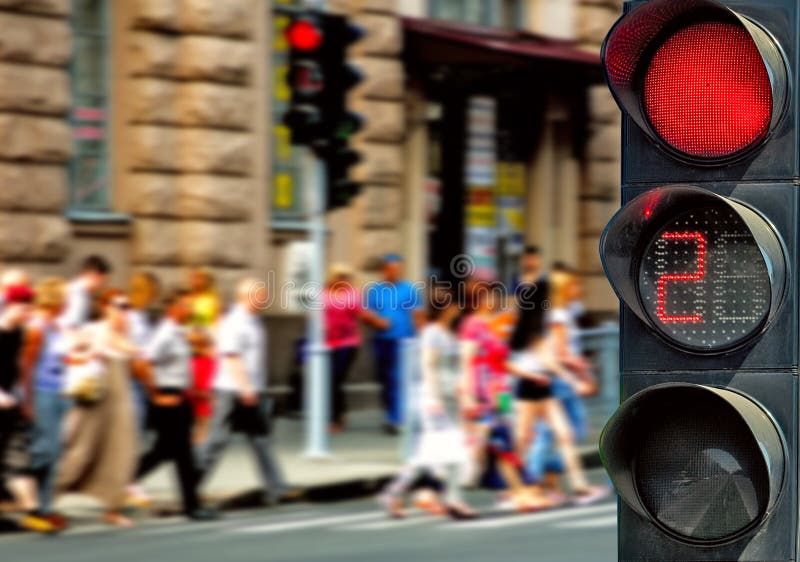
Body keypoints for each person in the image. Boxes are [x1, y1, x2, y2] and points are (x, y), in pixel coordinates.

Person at [379, 289, 476, 520]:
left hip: (448, 400)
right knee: (452, 450)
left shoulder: (447, 333)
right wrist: (433, 398)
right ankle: (453, 499)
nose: (457, 307)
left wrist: (462, 396)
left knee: (430, 456)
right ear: (445, 307)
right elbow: (428, 366)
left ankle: (393, 493)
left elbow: (454, 369)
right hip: (436, 401)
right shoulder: (433, 332)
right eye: (453, 303)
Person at [196, 278, 292, 505]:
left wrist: (254, 389)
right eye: (259, 294)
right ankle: (190, 485)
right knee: (216, 441)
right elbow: (231, 356)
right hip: (232, 390)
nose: (263, 298)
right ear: (245, 297)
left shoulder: (254, 320)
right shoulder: (235, 322)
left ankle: (276, 487)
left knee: (261, 439)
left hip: (251, 390)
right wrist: (245, 387)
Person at [128, 290, 217, 521]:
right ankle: (192, 506)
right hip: (169, 400)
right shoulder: (165, 334)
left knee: (165, 452)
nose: (191, 310)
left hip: (181, 397)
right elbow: (142, 364)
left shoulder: (179, 333)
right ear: (173, 308)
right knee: (183, 456)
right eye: (186, 306)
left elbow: (178, 368)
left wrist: (196, 392)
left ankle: (125, 477)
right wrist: (155, 394)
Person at [458, 280, 545, 512]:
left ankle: (513, 491)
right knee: (504, 442)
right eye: (488, 296)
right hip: (483, 394)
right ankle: (518, 491)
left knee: (508, 442)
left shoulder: (490, 326)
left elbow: (502, 363)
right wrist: (467, 395)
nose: (493, 300)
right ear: (478, 299)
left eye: (494, 296)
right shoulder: (472, 325)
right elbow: (466, 363)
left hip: (501, 394)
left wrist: (530, 375)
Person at [57, 289, 140, 527]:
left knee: (119, 452)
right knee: (80, 449)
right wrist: (88, 356)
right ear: (107, 307)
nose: (125, 312)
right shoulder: (94, 330)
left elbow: (133, 366)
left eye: (128, 307)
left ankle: (112, 508)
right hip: (94, 398)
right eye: (120, 306)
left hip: (120, 399)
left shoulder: (127, 332)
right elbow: (67, 353)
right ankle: (49, 498)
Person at [509, 311, 607, 505]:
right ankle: (519, 489)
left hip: (544, 385)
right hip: (530, 384)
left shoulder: (539, 328)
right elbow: (547, 361)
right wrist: (573, 380)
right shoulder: (533, 331)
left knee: (564, 434)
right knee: (523, 438)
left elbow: (549, 362)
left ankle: (580, 488)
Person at [0, 284, 55, 533]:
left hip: (9, 404)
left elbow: (21, 368)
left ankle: (33, 512)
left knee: (18, 456)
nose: (27, 312)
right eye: (24, 307)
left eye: (29, 308)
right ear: (11, 305)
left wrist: (25, 399)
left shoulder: (19, 332)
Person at [22, 278, 70, 530]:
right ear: (56, 300)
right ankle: (31, 503)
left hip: (57, 393)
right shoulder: (37, 328)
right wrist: (28, 401)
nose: (69, 303)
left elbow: (62, 361)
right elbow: (27, 367)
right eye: (65, 298)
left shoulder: (54, 326)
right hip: (42, 394)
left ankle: (46, 506)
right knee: (44, 451)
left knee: (55, 452)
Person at [323, 264, 388, 433]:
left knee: (335, 379)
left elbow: (362, 314)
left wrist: (379, 322)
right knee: (332, 381)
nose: (343, 279)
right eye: (340, 275)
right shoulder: (323, 293)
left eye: (346, 276)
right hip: (326, 345)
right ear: (332, 277)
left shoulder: (352, 294)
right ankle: (340, 414)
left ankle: (336, 419)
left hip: (347, 343)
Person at [366, 254, 425, 434]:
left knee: (398, 379)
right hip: (382, 340)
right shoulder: (374, 290)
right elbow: (366, 314)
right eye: (391, 269)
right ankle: (390, 413)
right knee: (385, 380)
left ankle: (396, 418)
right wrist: (376, 322)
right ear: (384, 270)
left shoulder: (409, 289)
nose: (395, 272)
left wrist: (422, 339)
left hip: (404, 341)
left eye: (398, 269)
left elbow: (418, 315)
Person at [186, 267, 222, 444]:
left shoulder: (213, 300)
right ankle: (192, 428)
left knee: (204, 393)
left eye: (200, 278)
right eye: (194, 277)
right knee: (191, 392)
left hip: (207, 351)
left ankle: (203, 430)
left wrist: (211, 343)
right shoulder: (188, 299)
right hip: (190, 350)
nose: (196, 281)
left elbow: (217, 325)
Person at [128, 271, 161, 430]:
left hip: (135, 384)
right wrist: (152, 390)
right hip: (134, 385)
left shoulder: (137, 317)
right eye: (154, 294)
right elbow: (138, 363)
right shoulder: (136, 322)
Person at [510, 246, 548, 353]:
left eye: (534, 259)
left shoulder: (544, 280)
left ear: (539, 260)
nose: (530, 262)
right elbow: (511, 302)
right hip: (520, 325)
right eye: (528, 259)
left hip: (539, 325)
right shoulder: (516, 279)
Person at [60, 255, 111, 330]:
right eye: (103, 280)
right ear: (94, 275)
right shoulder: (79, 293)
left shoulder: (75, 288)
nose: (103, 285)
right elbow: (72, 324)